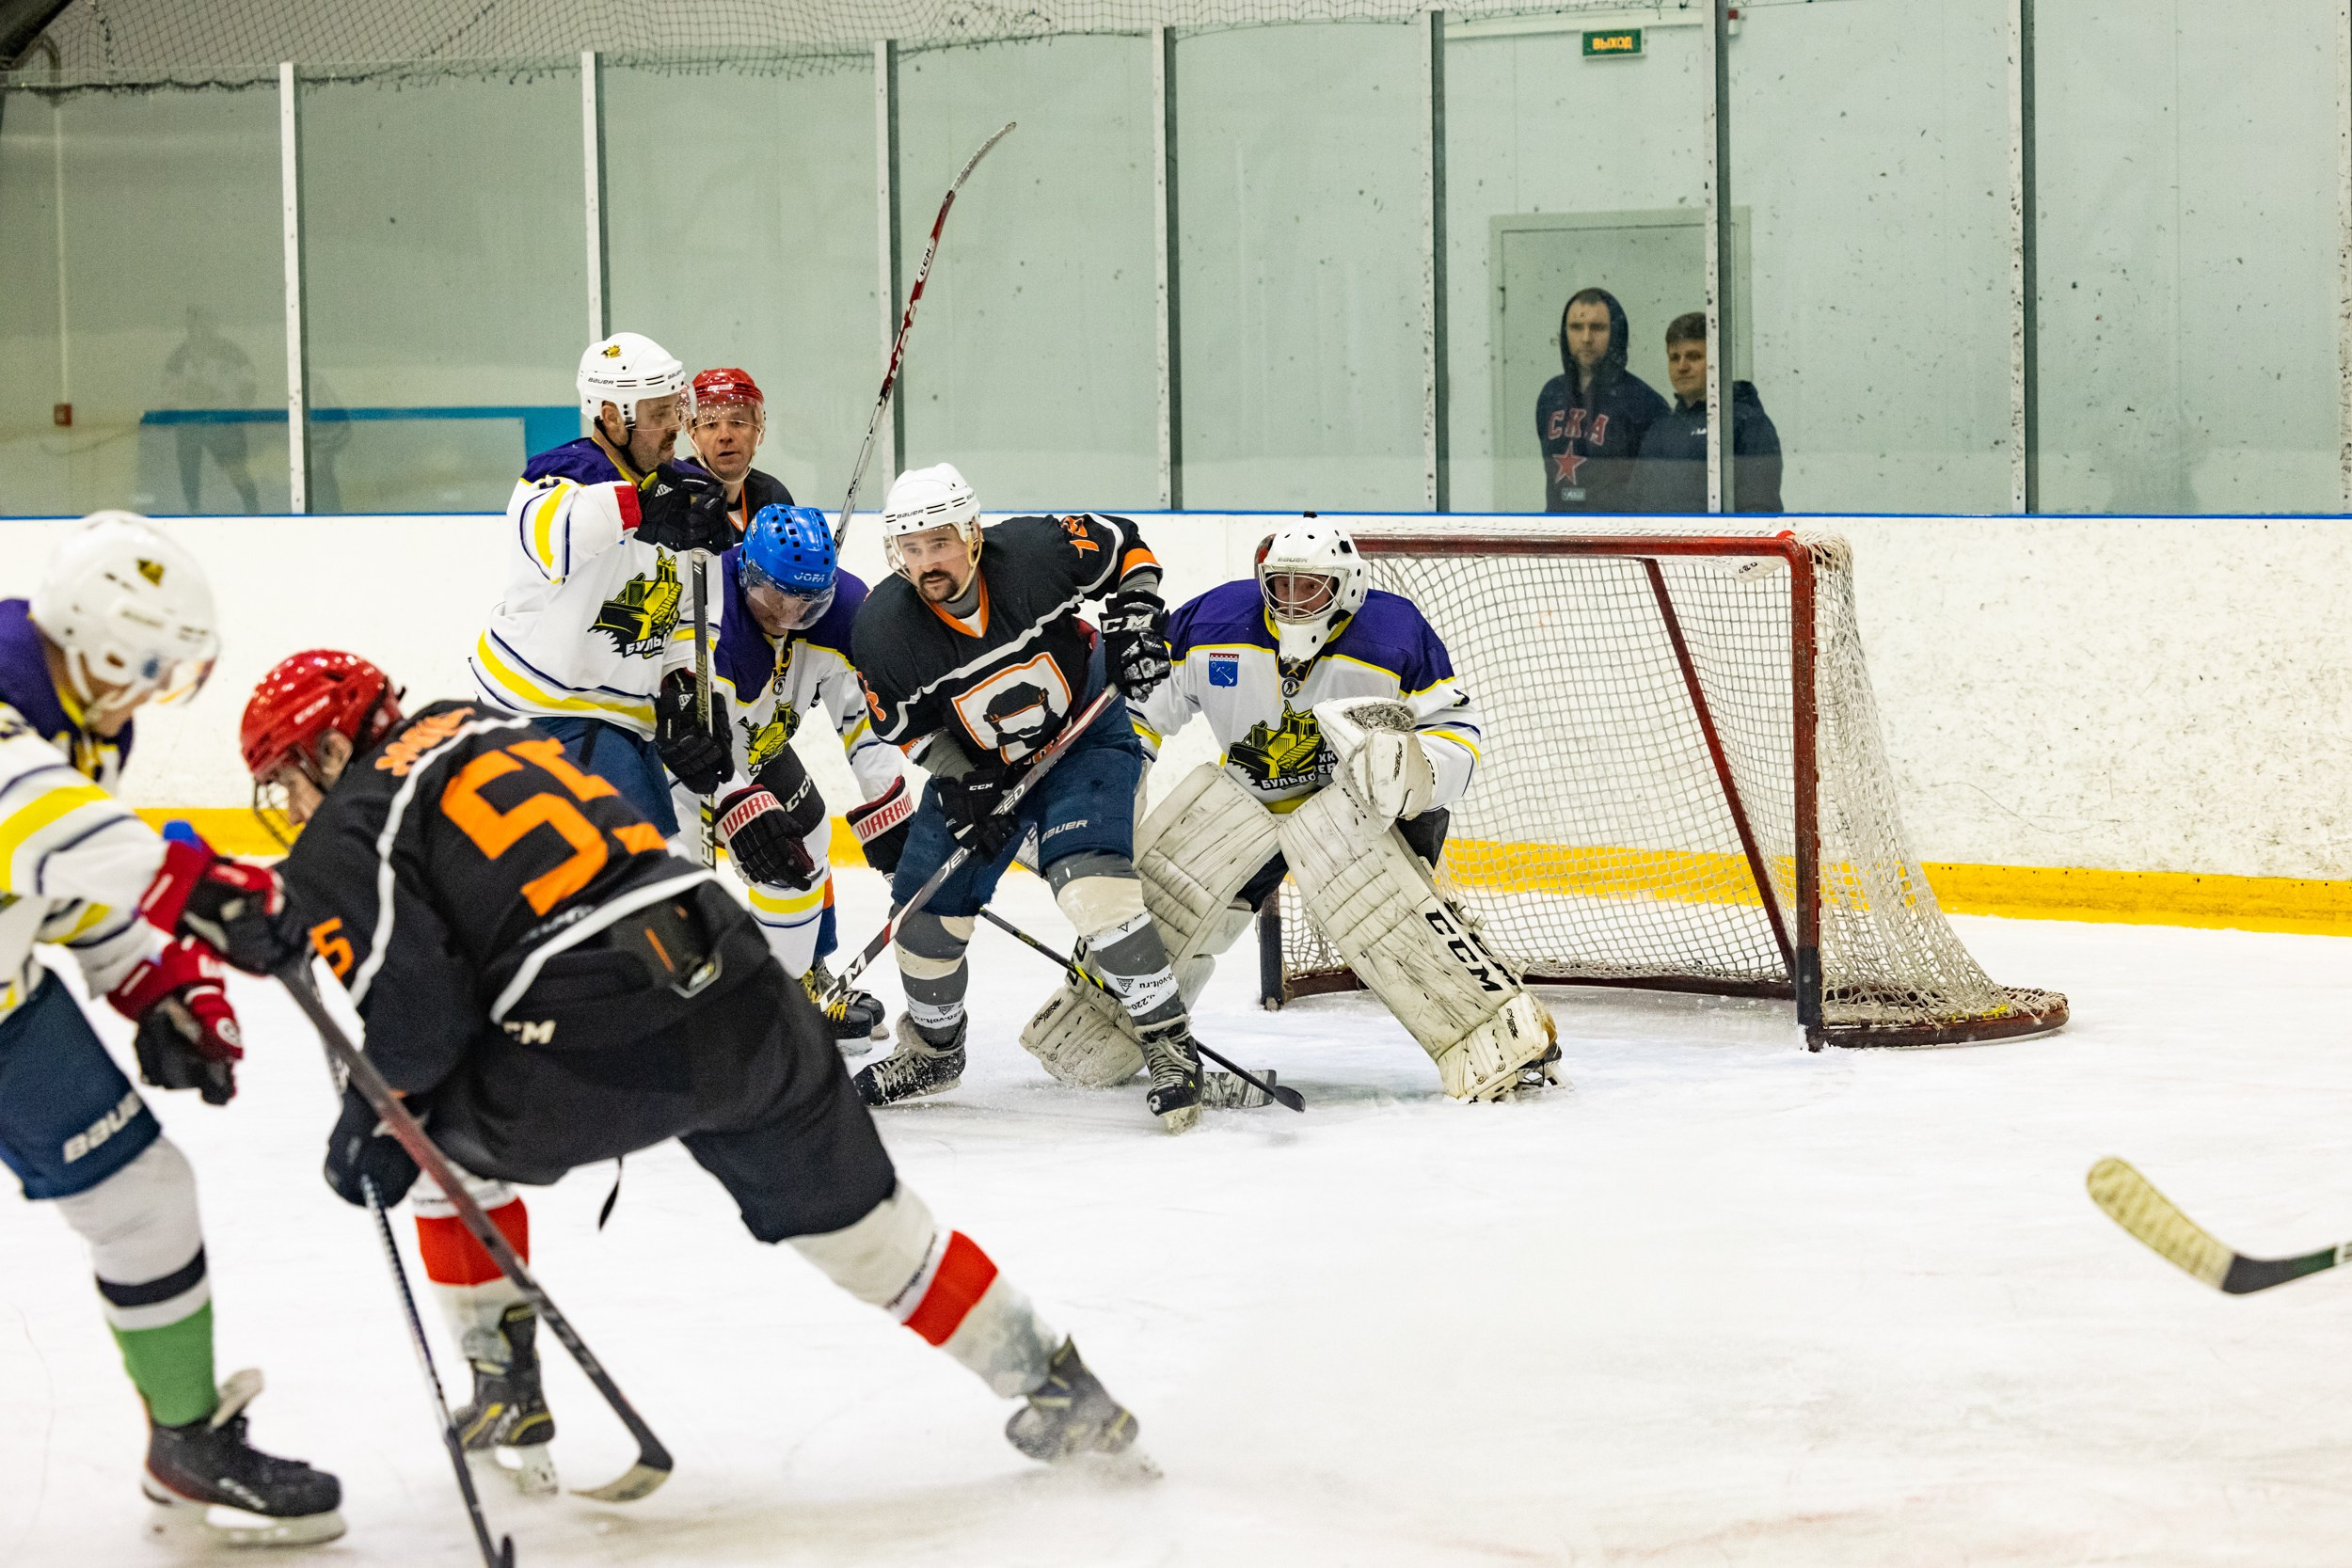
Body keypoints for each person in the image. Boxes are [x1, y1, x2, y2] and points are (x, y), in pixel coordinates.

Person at [238, 650, 1144, 1482]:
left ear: (327, 745)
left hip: (602, 1025)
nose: (288, 806)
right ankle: (1063, 1387)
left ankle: (505, 1395)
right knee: (868, 1230)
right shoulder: (477, 724)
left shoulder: (347, 825)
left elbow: (421, 1027)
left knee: (432, 1147)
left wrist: (376, 1117)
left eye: (285, 777)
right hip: (737, 967)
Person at [0, 512, 342, 1545]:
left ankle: (185, 1443)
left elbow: (50, 880)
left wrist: (154, 982)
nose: (156, 687)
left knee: (146, 1195)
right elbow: (34, 818)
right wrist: (191, 883)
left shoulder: (83, 721)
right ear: (105, 643)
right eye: (151, 663)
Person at [1024, 520, 1560, 1103]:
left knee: (1390, 922)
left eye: (1313, 587)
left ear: (1348, 587)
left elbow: (1454, 730)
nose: (1294, 600)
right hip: (1248, 795)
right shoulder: (1214, 622)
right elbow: (1136, 713)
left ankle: (1504, 1038)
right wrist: (1104, 790)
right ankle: (1102, 1026)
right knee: (1163, 901)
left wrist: (1412, 770)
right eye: (1282, 585)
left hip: (1358, 808)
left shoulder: (1394, 634)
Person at [846, 464, 1211, 1132]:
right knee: (922, 919)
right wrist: (963, 784)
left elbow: (1124, 545)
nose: (927, 562)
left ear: (973, 534)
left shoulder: (1036, 554)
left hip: (1084, 737)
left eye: (940, 542)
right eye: (912, 547)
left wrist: (1133, 615)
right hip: (985, 769)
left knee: (1091, 886)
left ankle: (1167, 1041)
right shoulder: (883, 631)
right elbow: (909, 729)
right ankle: (933, 1050)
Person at [652, 504, 913, 1046]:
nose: (789, 614)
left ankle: (787, 1000)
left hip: (762, 741)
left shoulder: (845, 613)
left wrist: (887, 806)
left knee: (803, 846)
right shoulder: (713, 612)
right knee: (673, 875)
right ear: (746, 569)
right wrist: (737, 803)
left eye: (807, 601)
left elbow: (864, 723)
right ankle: (669, 1006)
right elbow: (700, 742)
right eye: (775, 596)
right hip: (684, 754)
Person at [467, 332, 737, 840]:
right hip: (538, 711)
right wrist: (643, 507)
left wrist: (687, 687)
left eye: (674, 409)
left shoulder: (686, 491)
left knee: (656, 865)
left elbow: (690, 613)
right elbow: (557, 534)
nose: (674, 427)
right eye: (658, 414)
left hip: (618, 721)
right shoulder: (558, 475)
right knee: (643, 866)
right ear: (612, 417)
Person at [1631, 311, 1785, 514]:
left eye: (1694, 356)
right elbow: (1636, 505)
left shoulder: (1746, 423)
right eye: (1674, 358)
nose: (1682, 366)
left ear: (1717, 361)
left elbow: (1759, 508)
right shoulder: (1660, 430)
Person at [1535, 287, 1666, 514]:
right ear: (1563, 333)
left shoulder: (1645, 403)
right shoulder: (1551, 395)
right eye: (1576, 327)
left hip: (1618, 535)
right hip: (1559, 533)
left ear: (1616, 333)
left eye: (1597, 328)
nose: (1586, 338)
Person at [161, 306, 260, 514]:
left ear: (212, 325)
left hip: (223, 422)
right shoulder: (178, 356)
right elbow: (167, 394)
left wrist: (226, 401)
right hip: (189, 423)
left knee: (237, 471)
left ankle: (254, 512)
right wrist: (185, 397)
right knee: (189, 474)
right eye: (192, 324)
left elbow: (250, 385)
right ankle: (193, 513)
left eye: (202, 323)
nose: (196, 329)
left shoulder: (231, 351)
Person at [681, 367, 796, 531]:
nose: (724, 436)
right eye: (711, 424)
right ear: (694, 438)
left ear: (759, 432)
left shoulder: (773, 497)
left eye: (737, 423)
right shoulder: (674, 501)